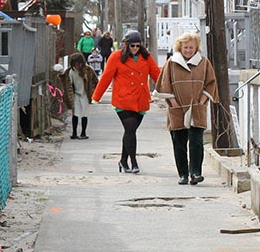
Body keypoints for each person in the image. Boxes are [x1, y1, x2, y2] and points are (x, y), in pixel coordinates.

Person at [91, 31, 161, 173]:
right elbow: (106, 77)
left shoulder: (146, 57)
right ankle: (134, 163)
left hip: (140, 99)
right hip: (122, 100)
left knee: (130, 131)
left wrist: (171, 92)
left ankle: (123, 161)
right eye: (132, 45)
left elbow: (157, 75)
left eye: (137, 45)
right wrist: (96, 97)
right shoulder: (116, 56)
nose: (135, 48)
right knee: (130, 130)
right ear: (126, 45)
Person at [156, 31, 218, 185]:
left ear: (196, 48)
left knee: (196, 142)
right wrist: (174, 104)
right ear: (180, 47)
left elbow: (211, 83)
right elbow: (164, 85)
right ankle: (183, 174)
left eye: (191, 47)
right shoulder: (171, 63)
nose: (188, 50)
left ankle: (195, 173)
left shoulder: (204, 63)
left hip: (196, 108)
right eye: (185, 47)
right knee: (179, 142)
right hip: (177, 108)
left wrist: (202, 101)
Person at [64, 52, 98, 140]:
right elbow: (68, 85)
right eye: (75, 64)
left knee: (84, 114)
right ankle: (74, 132)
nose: (77, 66)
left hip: (85, 95)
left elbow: (96, 81)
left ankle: (83, 132)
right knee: (75, 113)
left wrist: (93, 92)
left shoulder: (88, 71)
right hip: (76, 95)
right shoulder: (70, 72)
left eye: (79, 64)